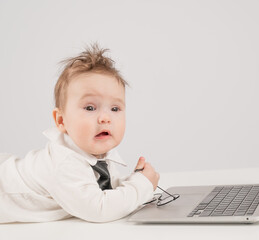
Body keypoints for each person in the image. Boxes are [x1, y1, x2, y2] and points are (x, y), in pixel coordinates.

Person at [0, 44, 160, 223]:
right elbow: (99, 209)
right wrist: (142, 185)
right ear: (61, 121)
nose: (105, 118)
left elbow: (106, 192)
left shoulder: (97, 155)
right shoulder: (65, 163)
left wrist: (134, 179)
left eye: (115, 108)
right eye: (90, 107)